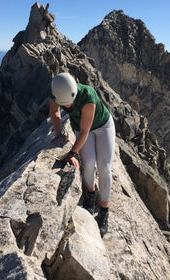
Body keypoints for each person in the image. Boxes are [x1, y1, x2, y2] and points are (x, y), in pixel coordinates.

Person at [49, 72, 115, 235]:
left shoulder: (88, 96)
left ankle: (104, 210)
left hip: (102, 126)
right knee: (87, 163)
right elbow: (55, 112)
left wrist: (71, 153)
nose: (68, 107)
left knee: (104, 167)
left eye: (70, 103)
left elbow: (86, 132)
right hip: (81, 127)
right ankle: (91, 194)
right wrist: (58, 133)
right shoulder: (55, 92)